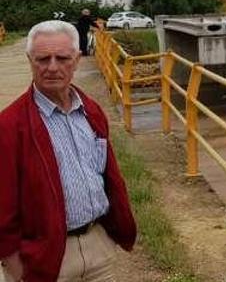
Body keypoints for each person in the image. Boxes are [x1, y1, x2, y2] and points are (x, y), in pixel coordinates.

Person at [0, 20, 137, 282]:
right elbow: (2, 205)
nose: (52, 67)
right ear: (30, 60)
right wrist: (13, 265)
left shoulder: (92, 111)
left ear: (77, 59)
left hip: (98, 245)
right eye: (43, 59)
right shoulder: (9, 125)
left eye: (62, 58)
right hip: (46, 258)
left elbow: (107, 177)